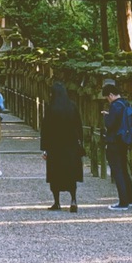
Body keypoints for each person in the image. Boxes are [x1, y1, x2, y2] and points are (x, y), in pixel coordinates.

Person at [41, 79, 83, 212]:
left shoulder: (50, 108)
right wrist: (80, 141)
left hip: (55, 146)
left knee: (55, 174)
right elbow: (79, 125)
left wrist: (45, 148)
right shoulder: (72, 106)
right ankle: (73, 199)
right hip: (70, 145)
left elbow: (45, 129)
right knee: (71, 173)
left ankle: (57, 202)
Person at [101, 78, 132, 208]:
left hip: (114, 141)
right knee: (123, 169)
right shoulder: (125, 104)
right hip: (123, 140)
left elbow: (110, 124)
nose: (108, 100)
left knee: (117, 171)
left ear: (111, 95)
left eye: (107, 98)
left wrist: (106, 116)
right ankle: (130, 198)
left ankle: (123, 201)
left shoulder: (115, 106)